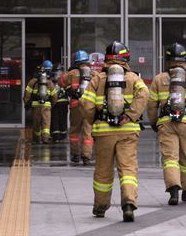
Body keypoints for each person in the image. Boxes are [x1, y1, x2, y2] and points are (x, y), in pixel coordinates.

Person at [80, 41, 148, 222]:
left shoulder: (97, 78)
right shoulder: (133, 77)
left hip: (103, 131)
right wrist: (131, 115)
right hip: (128, 131)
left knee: (103, 171)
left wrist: (93, 119)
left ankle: (101, 207)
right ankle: (128, 202)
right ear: (126, 58)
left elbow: (85, 103)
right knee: (128, 168)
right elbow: (144, 94)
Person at [147, 43, 186, 205]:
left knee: (170, 158)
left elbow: (152, 105)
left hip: (166, 123)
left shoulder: (159, 79)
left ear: (167, 60)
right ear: (185, 60)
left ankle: (173, 189)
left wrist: (154, 122)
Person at [62, 50, 94, 165]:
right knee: (88, 132)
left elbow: (61, 82)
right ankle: (86, 156)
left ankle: (75, 155)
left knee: (75, 130)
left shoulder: (72, 73)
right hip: (89, 106)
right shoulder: (93, 73)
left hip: (76, 105)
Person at [23, 60, 58, 144]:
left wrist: (26, 103)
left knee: (36, 123)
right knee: (46, 124)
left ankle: (36, 139)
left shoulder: (32, 82)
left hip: (36, 106)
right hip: (47, 106)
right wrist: (52, 105)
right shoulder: (49, 82)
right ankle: (45, 139)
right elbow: (54, 96)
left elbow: (27, 94)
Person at [51, 63, 68, 143]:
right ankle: (63, 136)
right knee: (63, 119)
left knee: (55, 119)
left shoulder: (52, 79)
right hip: (64, 102)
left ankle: (56, 137)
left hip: (55, 103)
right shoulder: (65, 78)